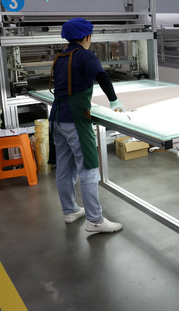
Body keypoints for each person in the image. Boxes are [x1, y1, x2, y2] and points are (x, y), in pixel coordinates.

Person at [49, 18, 124, 233]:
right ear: (87, 37)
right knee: (89, 168)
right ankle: (95, 220)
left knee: (64, 168)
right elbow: (101, 75)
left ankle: (70, 210)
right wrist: (113, 100)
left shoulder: (61, 56)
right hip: (75, 120)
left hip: (57, 118)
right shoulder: (84, 54)